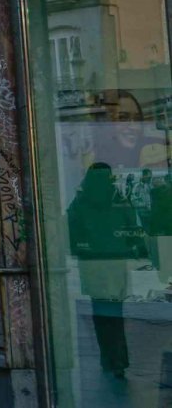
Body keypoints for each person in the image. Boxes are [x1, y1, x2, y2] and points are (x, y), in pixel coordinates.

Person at [69, 161, 145, 379]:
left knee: (99, 313)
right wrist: (134, 247)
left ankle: (107, 359)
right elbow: (132, 225)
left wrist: (82, 248)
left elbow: (73, 227)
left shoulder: (81, 200)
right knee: (115, 312)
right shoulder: (118, 198)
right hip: (115, 262)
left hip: (92, 263)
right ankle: (119, 361)